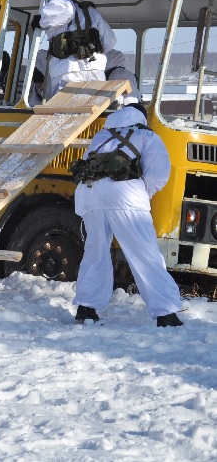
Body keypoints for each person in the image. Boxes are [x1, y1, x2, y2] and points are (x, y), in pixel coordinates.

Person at [71, 103, 183, 327]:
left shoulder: (101, 136)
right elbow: (158, 174)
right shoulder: (146, 136)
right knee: (144, 253)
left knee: (96, 251)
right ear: (141, 118)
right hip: (125, 196)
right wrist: (141, 194)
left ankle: (86, 308)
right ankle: (166, 314)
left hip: (90, 194)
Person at [37, 0, 117, 98]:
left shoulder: (56, 7)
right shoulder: (92, 12)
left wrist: (39, 22)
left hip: (65, 69)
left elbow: (46, 21)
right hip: (95, 68)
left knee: (63, 107)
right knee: (95, 105)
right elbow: (110, 41)